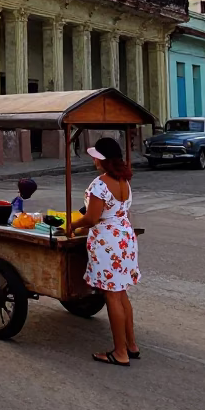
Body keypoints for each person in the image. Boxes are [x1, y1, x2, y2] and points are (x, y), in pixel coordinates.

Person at [72, 137, 140, 366]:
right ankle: (131, 345)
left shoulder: (100, 184)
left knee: (112, 295)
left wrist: (70, 226)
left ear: (102, 159)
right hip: (125, 239)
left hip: (107, 243)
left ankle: (120, 352)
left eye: (95, 155)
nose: (92, 159)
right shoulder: (124, 182)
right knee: (121, 293)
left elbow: (91, 218)